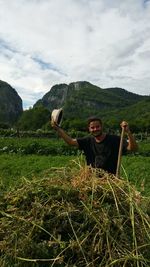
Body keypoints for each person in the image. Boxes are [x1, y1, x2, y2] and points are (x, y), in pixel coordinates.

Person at [51, 116, 138, 175]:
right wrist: (58, 129)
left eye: (97, 126)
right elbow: (70, 142)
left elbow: (133, 148)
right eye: (92, 128)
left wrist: (128, 132)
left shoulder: (114, 140)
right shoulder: (87, 141)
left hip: (111, 180)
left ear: (101, 126)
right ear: (89, 129)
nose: (95, 129)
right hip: (91, 180)